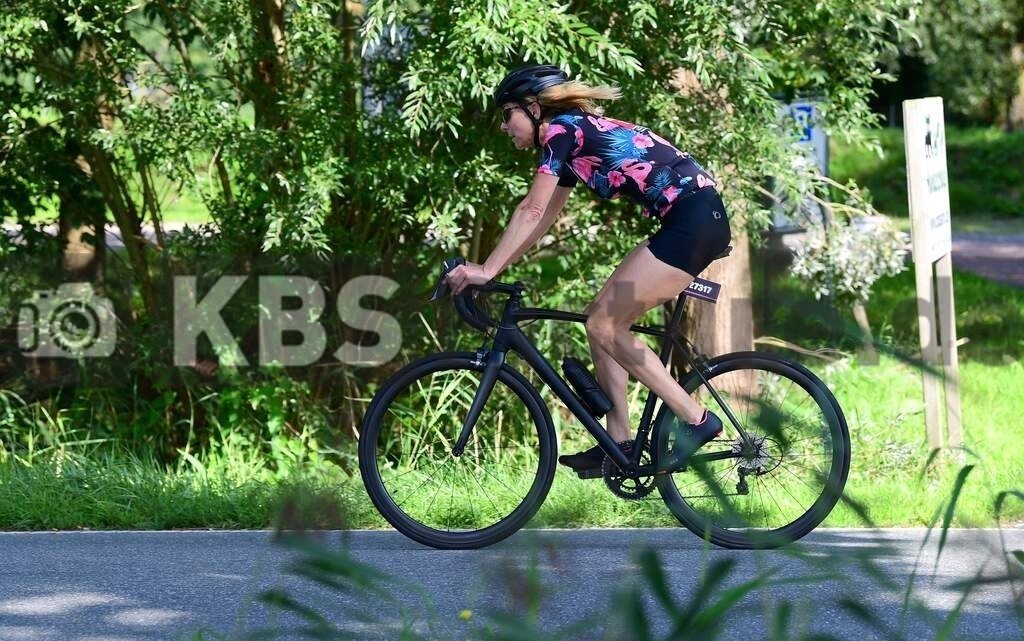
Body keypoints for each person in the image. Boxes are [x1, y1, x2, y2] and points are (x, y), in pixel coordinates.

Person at [443, 64, 731, 472]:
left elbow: (531, 208)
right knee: (599, 318)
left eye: (507, 114)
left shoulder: (562, 130)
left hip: (694, 221)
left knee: (604, 325)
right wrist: (495, 266)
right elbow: (541, 220)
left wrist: (486, 270)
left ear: (534, 107)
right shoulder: (572, 137)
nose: (505, 127)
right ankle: (620, 442)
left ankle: (697, 420)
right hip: (690, 219)